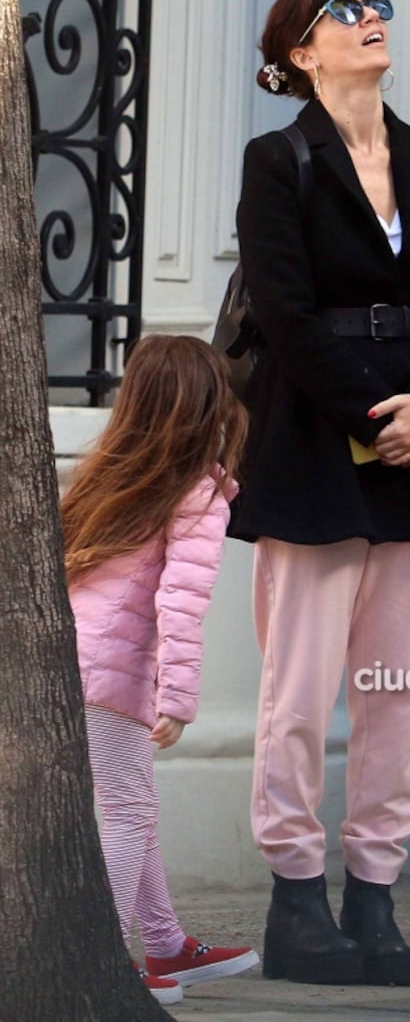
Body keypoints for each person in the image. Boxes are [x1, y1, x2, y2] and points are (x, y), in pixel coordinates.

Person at [229, 0, 410, 988]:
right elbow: (283, 310)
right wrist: (367, 414)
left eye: (374, 2)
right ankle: (296, 897)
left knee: (394, 689)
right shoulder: (279, 159)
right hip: (314, 442)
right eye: (343, 11)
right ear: (300, 51)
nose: (369, 19)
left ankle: (372, 892)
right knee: (296, 689)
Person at [61, 335, 258, 1005]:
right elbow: (180, 603)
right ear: (209, 404)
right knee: (127, 812)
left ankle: (166, 942)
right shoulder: (197, 491)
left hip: (76, 667)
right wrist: (177, 697)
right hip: (111, 677)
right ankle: (111, 958)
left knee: (130, 809)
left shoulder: (111, 472)